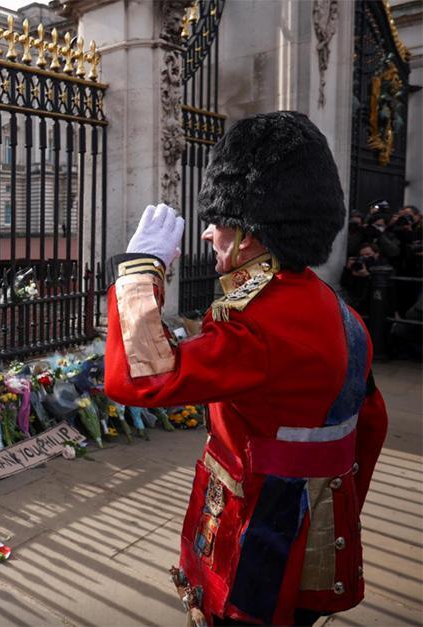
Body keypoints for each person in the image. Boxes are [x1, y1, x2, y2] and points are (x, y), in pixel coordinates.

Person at [102, 111, 388, 626]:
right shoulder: (339, 311)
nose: (209, 233)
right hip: (321, 526)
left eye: (220, 222)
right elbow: (368, 429)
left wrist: (138, 273)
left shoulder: (256, 325)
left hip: (260, 533)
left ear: (251, 234)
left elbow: (142, 378)